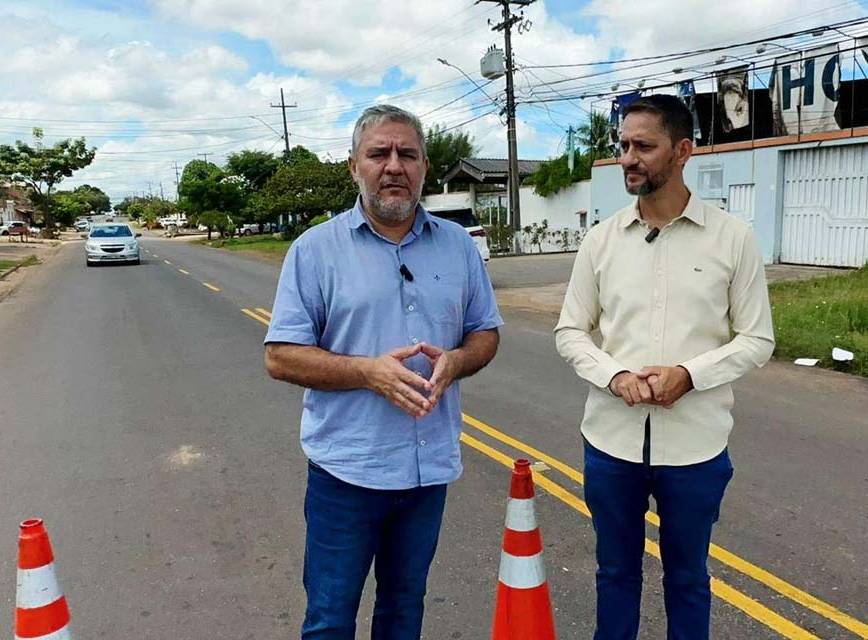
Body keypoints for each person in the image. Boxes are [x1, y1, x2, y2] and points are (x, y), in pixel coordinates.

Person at [263, 104, 502, 640]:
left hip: (426, 472)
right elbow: (280, 355)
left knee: (403, 612)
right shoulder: (315, 251)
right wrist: (368, 373)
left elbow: (485, 332)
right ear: (355, 167)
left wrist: (458, 360)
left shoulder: (459, 246)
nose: (394, 166)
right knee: (329, 619)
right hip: (346, 473)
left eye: (407, 154)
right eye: (379, 153)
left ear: (424, 166)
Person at [555, 94, 775, 639]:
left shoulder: (732, 237)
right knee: (615, 574)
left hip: (696, 447)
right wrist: (615, 376)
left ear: (682, 151)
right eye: (624, 145)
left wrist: (689, 374)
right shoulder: (601, 241)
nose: (629, 157)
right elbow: (570, 330)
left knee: (688, 578)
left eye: (644, 146)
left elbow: (757, 339)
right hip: (611, 443)